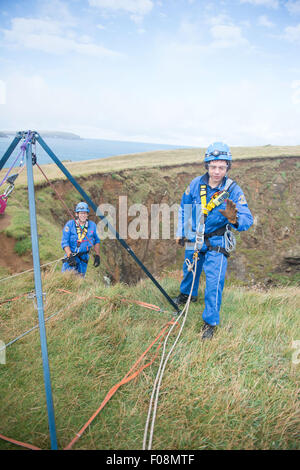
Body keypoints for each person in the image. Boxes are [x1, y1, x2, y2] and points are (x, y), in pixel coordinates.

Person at [173, 142, 253, 340]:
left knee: (214, 281)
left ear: (227, 168)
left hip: (217, 239)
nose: (217, 171)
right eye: (213, 166)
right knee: (189, 268)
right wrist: (181, 231)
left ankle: (210, 322)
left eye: (221, 167)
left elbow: (247, 219)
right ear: (206, 166)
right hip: (195, 234)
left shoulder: (233, 190)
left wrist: (235, 219)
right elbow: (184, 208)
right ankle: (187, 295)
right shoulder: (195, 185)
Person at [61, 201, 100, 277]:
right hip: (71, 257)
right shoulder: (70, 225)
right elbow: (65, 242)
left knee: (79, 281)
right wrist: (70, 255)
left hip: (83, 259)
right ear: (77, 214)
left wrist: (97, 256)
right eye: (81, 213)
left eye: (85, 213)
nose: (83, 215)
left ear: (87, 214)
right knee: (66, 279)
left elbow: (97, 240)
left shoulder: (92, 226)